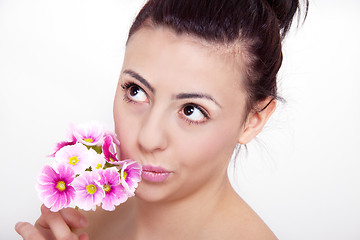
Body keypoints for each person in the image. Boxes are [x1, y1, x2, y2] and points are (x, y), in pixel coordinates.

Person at [15, 0, 308, 239]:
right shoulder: (85, 212)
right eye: (136, 91)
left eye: (192, 110)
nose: (148, 138)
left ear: (253, 120)